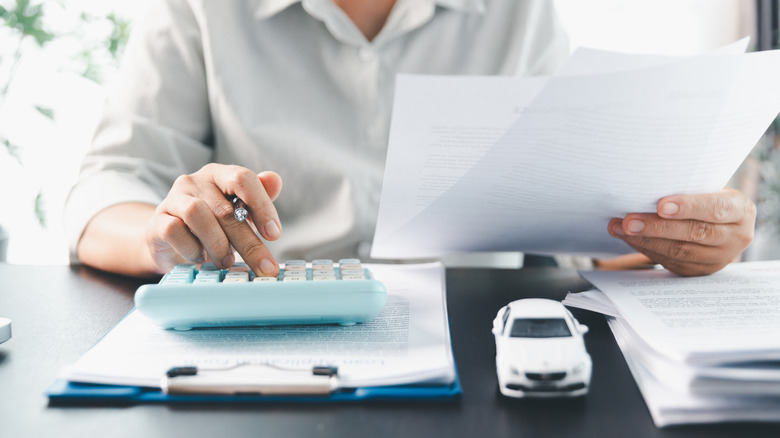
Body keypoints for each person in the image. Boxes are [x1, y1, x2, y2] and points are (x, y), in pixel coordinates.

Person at [65, 0, 756, 279]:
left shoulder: (518, 10)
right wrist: (164, 233)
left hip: (478, 344)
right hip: (261, 334)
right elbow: (104, 190)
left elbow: (579, 214)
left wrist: (677, 239)